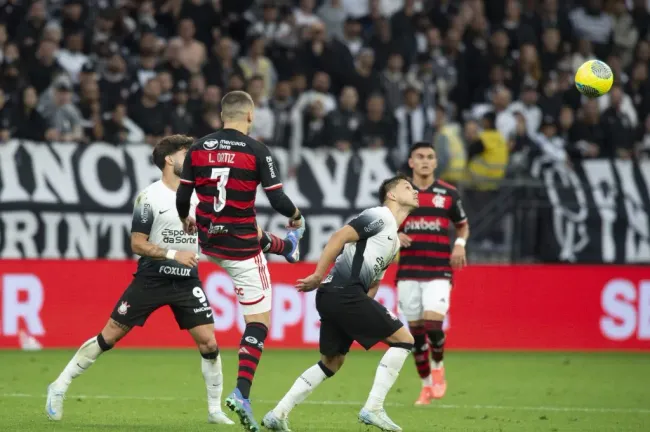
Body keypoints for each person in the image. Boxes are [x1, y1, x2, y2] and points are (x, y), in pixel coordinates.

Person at [45, 135, 234, 425]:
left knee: (209, 343)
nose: (193, 159)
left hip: (186, 282)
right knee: (109, 337)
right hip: (152, 279)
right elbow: (137, 243)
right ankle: (58, 386)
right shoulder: (149, 197)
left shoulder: (199, 196)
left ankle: (214, 410)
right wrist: (174, 254)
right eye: (187, 154)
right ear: (169, 159)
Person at [175, 91, 305, 432]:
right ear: (250, 116)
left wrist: (184, 218)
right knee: (259, 322)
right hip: (242, 249)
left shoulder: (198, 148)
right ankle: (242, 393)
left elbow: (182, 194)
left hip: (209, 239)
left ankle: (285, 248)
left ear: (221, 116)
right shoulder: (257, 151)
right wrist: (295, 214)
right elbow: (276, 198)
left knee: (246, 222)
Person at [262, 174, 419, 432]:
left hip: (337, 297)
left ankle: (278, 414)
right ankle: (374, 408)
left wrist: (359, 315)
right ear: (391, 195)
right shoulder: (380, 216)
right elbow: (338, 237)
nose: (414, 191)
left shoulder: (393, 240)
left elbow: (374, 282)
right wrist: (317, 274)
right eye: (407, 187)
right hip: (342, 292)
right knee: (405, 340)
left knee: (332, 362)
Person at [396, 141, 470, 405]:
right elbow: (384, 224)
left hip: (439, 269)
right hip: (407, 271)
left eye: (430, 157)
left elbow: (462, 226)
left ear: (436, 163)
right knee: (415, 333)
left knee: (432, 325)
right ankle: (426, 386)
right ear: (411, 162)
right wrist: (396, 233)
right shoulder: (399, 193)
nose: (425, 161)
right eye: (420, 156)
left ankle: (438, 365)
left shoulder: (448, 194)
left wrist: (459, 245)